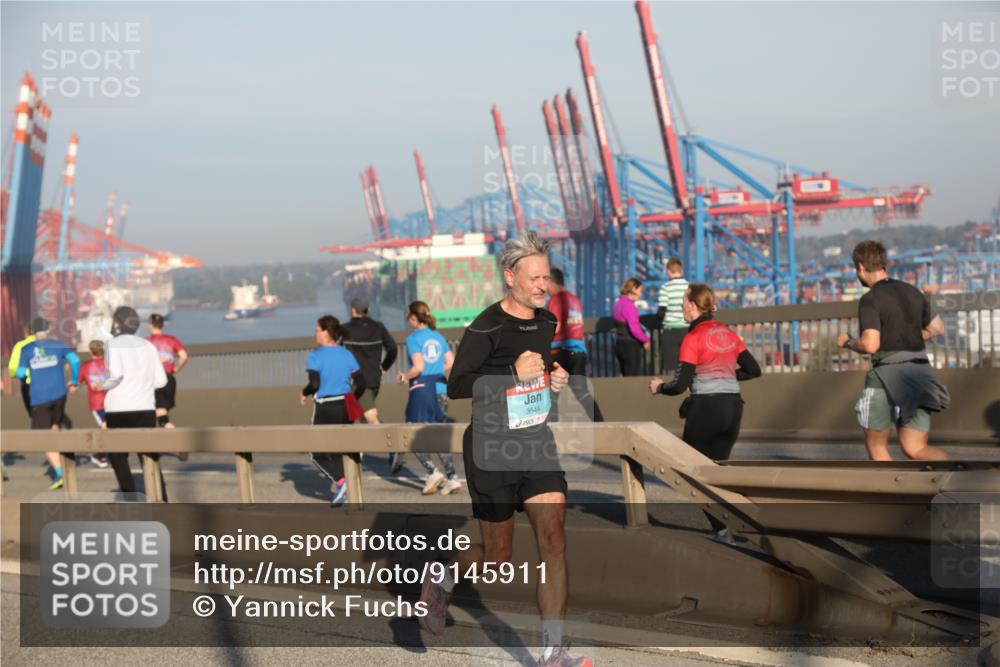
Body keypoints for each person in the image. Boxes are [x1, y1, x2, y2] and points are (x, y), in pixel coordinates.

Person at [419, 232, 590, 667]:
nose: (543, 286)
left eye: (546, 277)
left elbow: (539, 366)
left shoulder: (546, 320)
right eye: (534, 278)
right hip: (492, 449)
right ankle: (441, 578)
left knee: (554, 540)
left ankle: (553, 652)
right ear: (509, 276)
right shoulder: (486, 326)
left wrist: (552, 377)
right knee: (497, 558)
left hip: (535, 443)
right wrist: (512, 375)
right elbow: (456, 387)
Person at [648, 284, 761, 543]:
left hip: (706, 408)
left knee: (692, 471)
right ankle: (733, 527)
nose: (681, 310)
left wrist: (659, 387)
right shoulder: (729, 334)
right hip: (733, 408)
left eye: (683, 305)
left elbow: (679, 385)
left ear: (691, 306)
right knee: (719, 473)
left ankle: (722, 531)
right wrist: (726, 377)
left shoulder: (693, 337)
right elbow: (754, 370)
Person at [837, 240, 950, 461]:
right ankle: (960, 479)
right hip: (920, 371)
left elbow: (870, 345)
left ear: (860, 267)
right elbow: (937, 327)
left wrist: (848, 342)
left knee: (878, 446)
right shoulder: (912, 291)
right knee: (915, 448)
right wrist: (913, 337)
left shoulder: (870, 299)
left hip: (885, 375)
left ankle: (893, 493)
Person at [102, 306, 168, 499]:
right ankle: (161, 498)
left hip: (118, 409)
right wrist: (142, 385)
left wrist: (103, 386)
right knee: (149, 456)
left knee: (118, 456)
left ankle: (131, 498)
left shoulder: (113, 345)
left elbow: (115, 375)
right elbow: (161, 381)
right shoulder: (149, 346)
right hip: (146, 408)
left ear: (117, 323)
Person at [396, 300, 461, 495]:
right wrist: (437, 371)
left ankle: (432, 472)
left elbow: (419, 367)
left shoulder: (413, 338)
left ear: (414, 318)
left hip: (423, 389)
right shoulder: (438, 336)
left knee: (411, 432)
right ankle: (452, 478)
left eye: (409, 315)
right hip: (440, 388)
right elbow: (451, 362)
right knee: (438, 433)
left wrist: (403, 376)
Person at [301, 314, 367, 506]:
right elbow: (361, 383)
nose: (315, 333)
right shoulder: (346, 354)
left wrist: (304, 393)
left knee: (317, 452)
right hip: (345, 405)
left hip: (325, 408)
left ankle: (342, 481)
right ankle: (347, 487)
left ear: (326, 332)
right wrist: (353, 397)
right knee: (342, 449)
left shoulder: (315, 355)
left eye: (317, 330)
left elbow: (314, 383)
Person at [15, 317, 80, 490]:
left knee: (41, 438)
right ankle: (62, 462)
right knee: (54, 426)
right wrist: (74, 381)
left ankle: (59, 472)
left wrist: (30, 375)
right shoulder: (58, 344)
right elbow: (75, 360)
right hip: (60, 394)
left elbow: (20, 373)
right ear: (47, 329)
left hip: (39, 397)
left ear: (32, 332)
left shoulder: (27, 349)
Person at [547, 267, 603, 422]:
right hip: (579, 352)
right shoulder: (575, 299)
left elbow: (555, 326)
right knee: (582, 393)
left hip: (561, 351)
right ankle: (601, 424)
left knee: (551, 392)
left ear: (551, 282)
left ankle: (552, 431)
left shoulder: (556, 300)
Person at [342, 297, 398, 429]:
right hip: (373, 378)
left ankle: (389, 446)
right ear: (368, 310)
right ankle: (370, 448)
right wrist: (384, 367)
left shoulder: (345, 329)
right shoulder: (379, 327)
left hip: (355, 380)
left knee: (370, 417)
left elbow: (335, 351)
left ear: (353, 311)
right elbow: (393, 349)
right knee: (363, 414)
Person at [147, 314, 188, 429]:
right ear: (162, 325)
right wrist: (176, 368)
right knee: (161, 413)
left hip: (154, 381)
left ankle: (171, 435)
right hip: (169, 379)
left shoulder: (146, 342)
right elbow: (184, 356)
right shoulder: (172, 340)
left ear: (150, 325)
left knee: (160, 417)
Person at [78, 340, 111, 468]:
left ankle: (102, 454)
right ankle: (102, 455)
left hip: (102, 402)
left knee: (107, 427)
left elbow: (78, 382)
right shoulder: (108, 365)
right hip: (102, 403)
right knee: (105, 426)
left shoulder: (86, 366)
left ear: (91, 351)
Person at [657, 258, 689, 374]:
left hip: (670, 331)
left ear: (668, 271)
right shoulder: (689, 287)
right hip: (687, 330)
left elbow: (661, 312)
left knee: (671, 367)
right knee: (688, 363)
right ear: (682, 271)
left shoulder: (665, 288)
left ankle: (673, 389)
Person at [612, 277, 650, 376]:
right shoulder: (629, 306)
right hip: (630, 346)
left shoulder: (618, 303)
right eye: (640, 291)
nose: (641, 294)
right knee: (633, 378)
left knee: (625, 376)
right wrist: (645, 340)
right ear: (633, 289)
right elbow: (634, 328)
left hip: (619, 343)